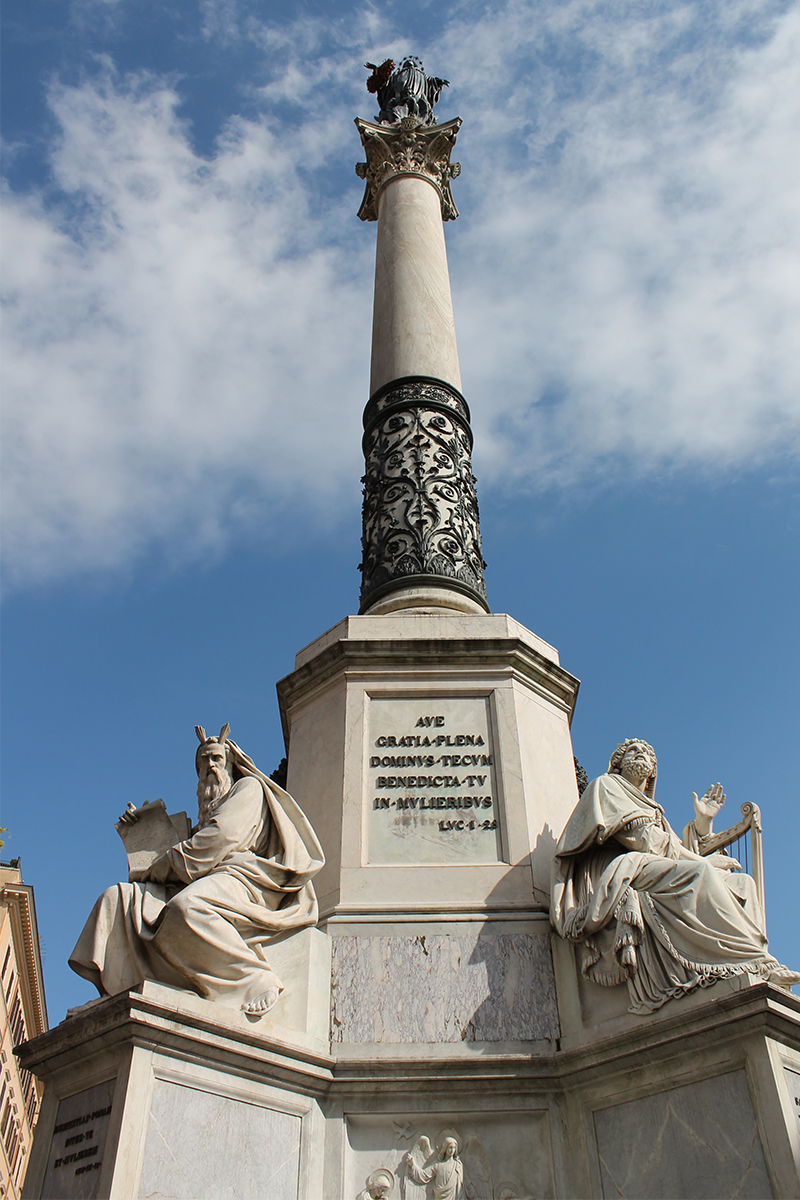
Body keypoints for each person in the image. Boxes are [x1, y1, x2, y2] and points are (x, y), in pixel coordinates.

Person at [69, 725, 324, 1014]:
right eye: (203, 762)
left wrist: (162, 865)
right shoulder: (204, 816)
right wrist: (141, 831)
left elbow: (218, 840)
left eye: (216, 758)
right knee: (116, 898)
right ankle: (118, 989)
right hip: (204, 878)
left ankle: (253, 978)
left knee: (187, 908)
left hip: (246, 878)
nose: (210, 767)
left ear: (231, 762)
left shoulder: (247, 788)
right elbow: (185, 851)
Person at [551, 739, 799, 1014]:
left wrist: (702, 825)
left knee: (743, 884)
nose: (642, 755)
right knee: (702, 872)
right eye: (635, 751)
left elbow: (674, 849)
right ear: (618, 763)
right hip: (619, 868)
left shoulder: (651, 807)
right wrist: (706, 863)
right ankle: (752, 960)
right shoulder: (607, 787)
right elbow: (646, 841)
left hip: (647, 864)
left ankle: (747, 961)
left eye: (648, 753)